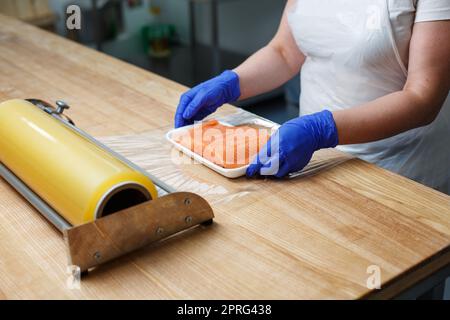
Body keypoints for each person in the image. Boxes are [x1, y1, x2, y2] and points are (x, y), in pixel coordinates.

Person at [174, 0, 450, 194]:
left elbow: (422, 97)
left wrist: (322, 130)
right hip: (310, 162)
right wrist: (231, 82)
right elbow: (284, 52)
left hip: (398, 174)